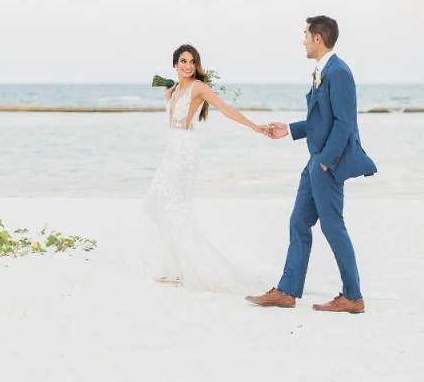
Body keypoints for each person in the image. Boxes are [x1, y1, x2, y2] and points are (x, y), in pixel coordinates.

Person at [245, 16, 377, 313]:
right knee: (298, 221)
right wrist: (289, 130)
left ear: (318, 38)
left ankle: (353, 297)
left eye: (305, 34)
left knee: (333, 228)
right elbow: (322, 122)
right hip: (315, 160)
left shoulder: (339, 72)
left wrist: (326, 164)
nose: (302, 39)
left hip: (326, 164)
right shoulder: (322, 71)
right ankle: (287, 291)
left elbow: (345, 124)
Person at [144, 43, 268, 293]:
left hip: (185, 152)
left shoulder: (199, 87)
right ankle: (178, 265)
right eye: (183, 61)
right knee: (155, 202)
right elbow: (173, 119)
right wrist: (168, 97)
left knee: (174, 207)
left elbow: (225, 109)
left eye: (192, 61)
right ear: (175, 65)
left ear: (197, 65)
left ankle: (192, 269)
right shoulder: (176, 88)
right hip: (173, 149)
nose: (188, 66)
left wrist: (254, 126)